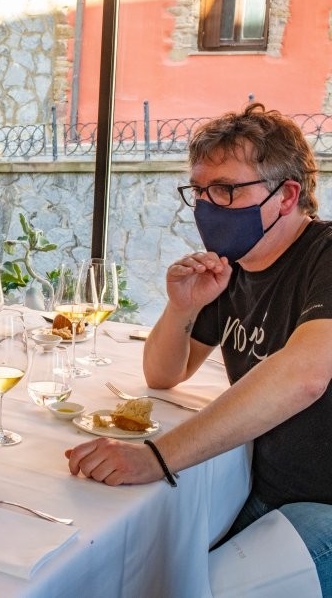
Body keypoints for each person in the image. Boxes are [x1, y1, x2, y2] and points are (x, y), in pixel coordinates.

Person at [64, 103, 332, 590]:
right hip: (265, 489)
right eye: (200, 190)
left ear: (287, 194)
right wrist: (183, 306)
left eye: (226, 189)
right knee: (142, 567)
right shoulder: (232, 267)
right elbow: (164, 374)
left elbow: (306, 375)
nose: (208, 205)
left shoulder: (326, 255)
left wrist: (155, 457)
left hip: (323, 505)